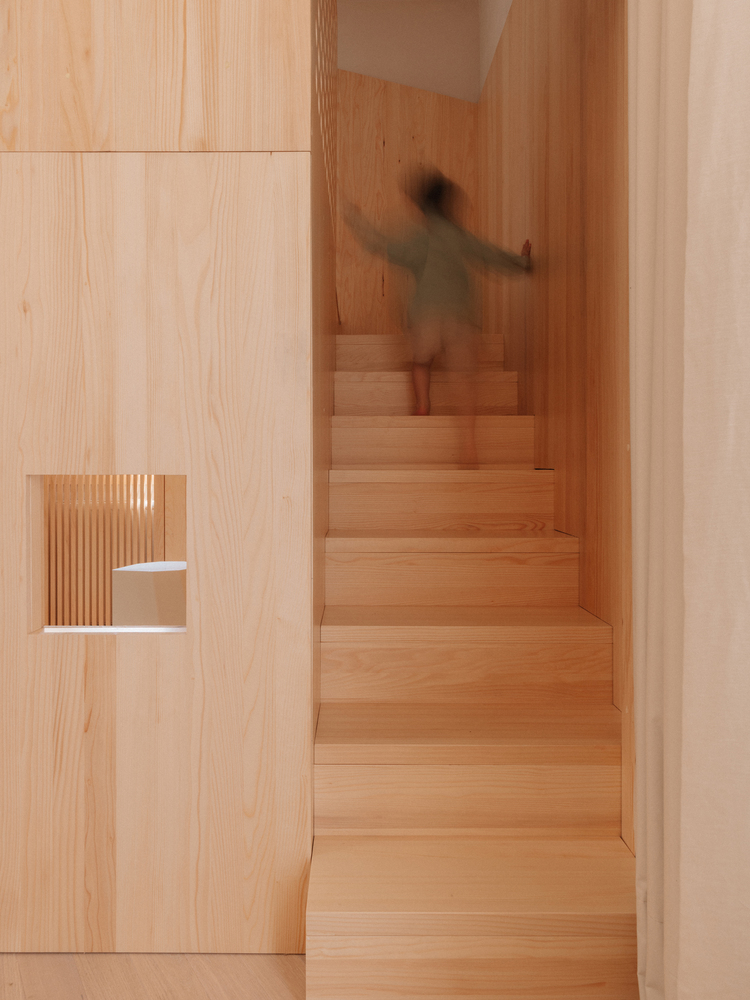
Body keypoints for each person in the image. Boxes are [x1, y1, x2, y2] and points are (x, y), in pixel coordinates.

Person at [343, 171, 531, 461]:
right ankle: (469, 445)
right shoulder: (461, 237)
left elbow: (382, 244)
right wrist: (521, 261)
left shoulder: (421, 239)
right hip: (461, 318)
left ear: (421, 208)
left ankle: (422, 405)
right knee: (463, 380)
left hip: (426, 316)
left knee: (421, 362)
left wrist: (354, 218)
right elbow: (490, 254)